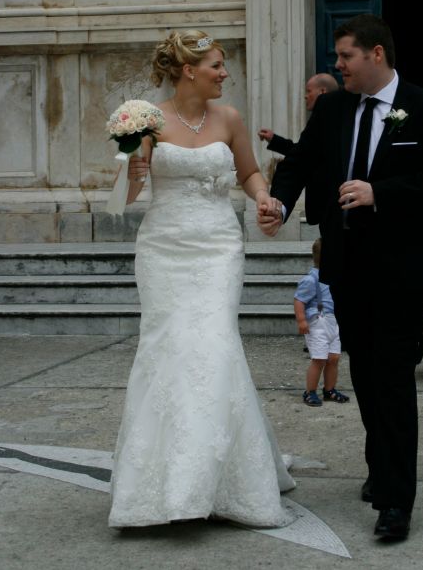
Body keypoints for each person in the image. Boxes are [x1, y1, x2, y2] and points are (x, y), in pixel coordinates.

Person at [258, 14, 423, 542]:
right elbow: (299, 162)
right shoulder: (332, 107)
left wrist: (378, 193)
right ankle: (380, 465)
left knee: (394, 377)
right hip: (346, 267)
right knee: (366, 375)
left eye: (346, 56)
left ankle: (396, 501)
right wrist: (280, 204)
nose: (338, 65)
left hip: (403, 269)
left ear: (376, 54)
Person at [108, 30, 294, 529]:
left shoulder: (229, 118)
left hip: (217, 248)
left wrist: (263, 199)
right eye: (216, 65)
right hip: (164, 249)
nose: (224, 73)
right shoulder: (147, 120)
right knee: (166, 349)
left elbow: (249, 174)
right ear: (189, 70)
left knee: (215, 346)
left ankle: (221, 480)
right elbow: (123, 200)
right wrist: (132, 169)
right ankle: (162, 482)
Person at [294, 238, 350, 407]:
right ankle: (310, 391)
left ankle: (329, 389)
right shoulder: (312, 279)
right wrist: (301, 320)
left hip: (333, 322)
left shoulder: (335, 278)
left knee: (334, 358)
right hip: (318, 322)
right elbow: (299, 300)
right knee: (319, 359)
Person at [257, 73, 339, 156]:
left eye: (309, 91)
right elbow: (302, 151)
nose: (305, 96)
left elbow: (301, 155)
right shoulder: (330, 118)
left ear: (322, 92)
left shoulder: (325, 122)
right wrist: (273, 139)